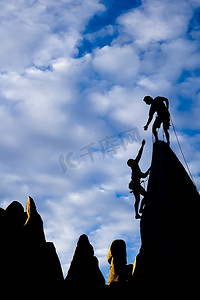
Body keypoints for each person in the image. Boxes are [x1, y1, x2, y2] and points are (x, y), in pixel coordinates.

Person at [127, 140, 150, 219]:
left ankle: (139, 210)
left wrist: (142, 146)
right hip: (135, 185)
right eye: (132, 161)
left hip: (135, 185)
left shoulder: (135, 168)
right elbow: (143, 175)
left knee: (142, 197)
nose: (134, 160)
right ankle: (138, 212)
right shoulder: (135, 169)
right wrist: (149, 170)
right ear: (132, 163)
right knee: (139, 198)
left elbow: (139, 155)